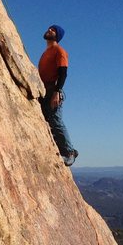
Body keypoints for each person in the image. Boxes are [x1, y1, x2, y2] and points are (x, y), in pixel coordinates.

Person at [38, 24, 78, 166]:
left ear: (57, 36)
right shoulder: (45, 53)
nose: (49, 30)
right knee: (48, 121)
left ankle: (69, 152)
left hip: (53, 89)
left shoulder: (59, 51)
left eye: (53, 30)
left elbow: (63, 73)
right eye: (49, 28)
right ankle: (63, 148)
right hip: (44, 90)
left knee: (55, 120)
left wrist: (57, 91)